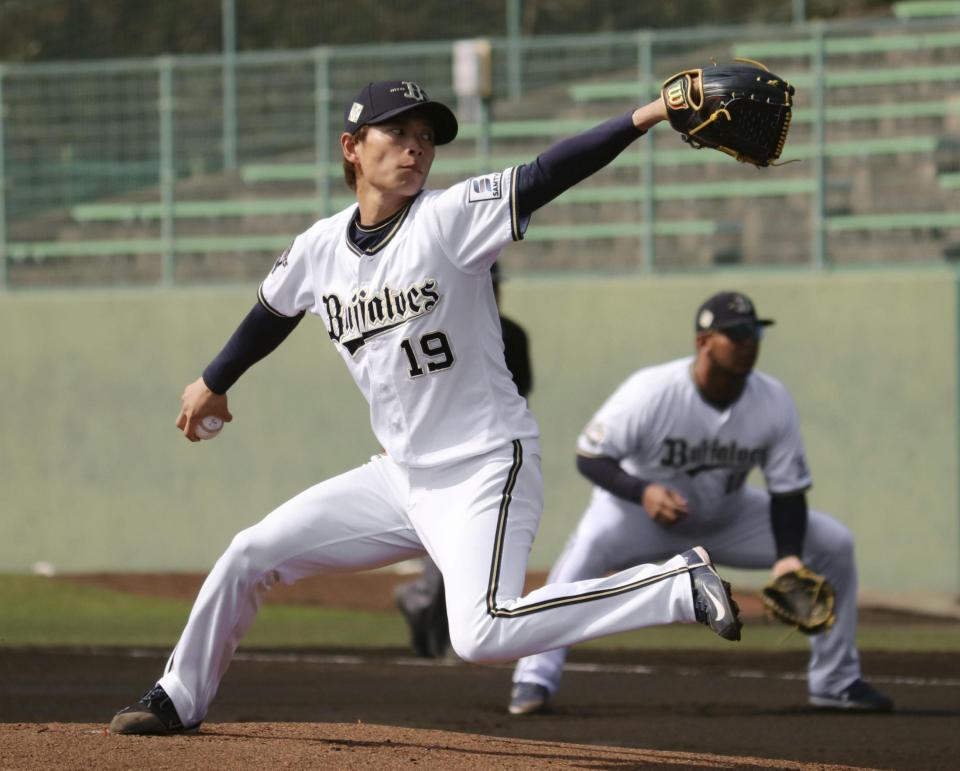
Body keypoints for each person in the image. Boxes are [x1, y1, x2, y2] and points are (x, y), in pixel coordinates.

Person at [109, 79, 744, 736]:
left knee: (481, 631)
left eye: (426, 138)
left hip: (484, 466)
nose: (416, 149)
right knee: (250, 552)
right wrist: (214, 379)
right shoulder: (318, 248)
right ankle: (177, 695)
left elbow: (547, 173)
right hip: (399, 477)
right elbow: (271, 314)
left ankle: (674, 585)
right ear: (352, 147)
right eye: (399, 134)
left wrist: (646, 115)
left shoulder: (448, 218)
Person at [507, 290, 893, 716]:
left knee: (833, 543)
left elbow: (788, 489)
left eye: (754, 333)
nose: (749, 343)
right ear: (703, 341)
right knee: (584, 554)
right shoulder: (653, 391)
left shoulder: (772, 399)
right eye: (737, 334)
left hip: (726, 516)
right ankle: (534, 676)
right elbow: (590, 455)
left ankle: (835, 681)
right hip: (639, 514)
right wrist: (644, 491)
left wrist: (787, 558)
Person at [393, 262, 532, 659]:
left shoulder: (513, 335)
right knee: (450, 556)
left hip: (487, 454)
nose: (494, 290)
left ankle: (427, 610)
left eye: (497, 283)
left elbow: (517, 397)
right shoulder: (437, 329)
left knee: (465, 555)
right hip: (439, 457)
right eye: (488, 282)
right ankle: (436, 624)